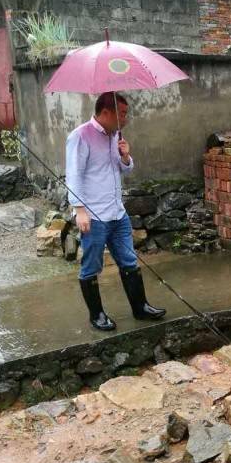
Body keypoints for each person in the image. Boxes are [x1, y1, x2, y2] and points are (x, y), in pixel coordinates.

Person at [65, 92, 165, 331]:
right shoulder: (80, 136)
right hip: (94, 215)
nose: (126, 118)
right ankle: (97, 315)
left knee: (129, 260)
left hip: (117, 212)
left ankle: (140, 308)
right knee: (92, 266)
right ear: (106, 112)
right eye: (122, 113)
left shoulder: (115, 136)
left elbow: (124, 170)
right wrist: (79, 210)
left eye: (126, 113)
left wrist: (126, 155)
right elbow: (74, 174)